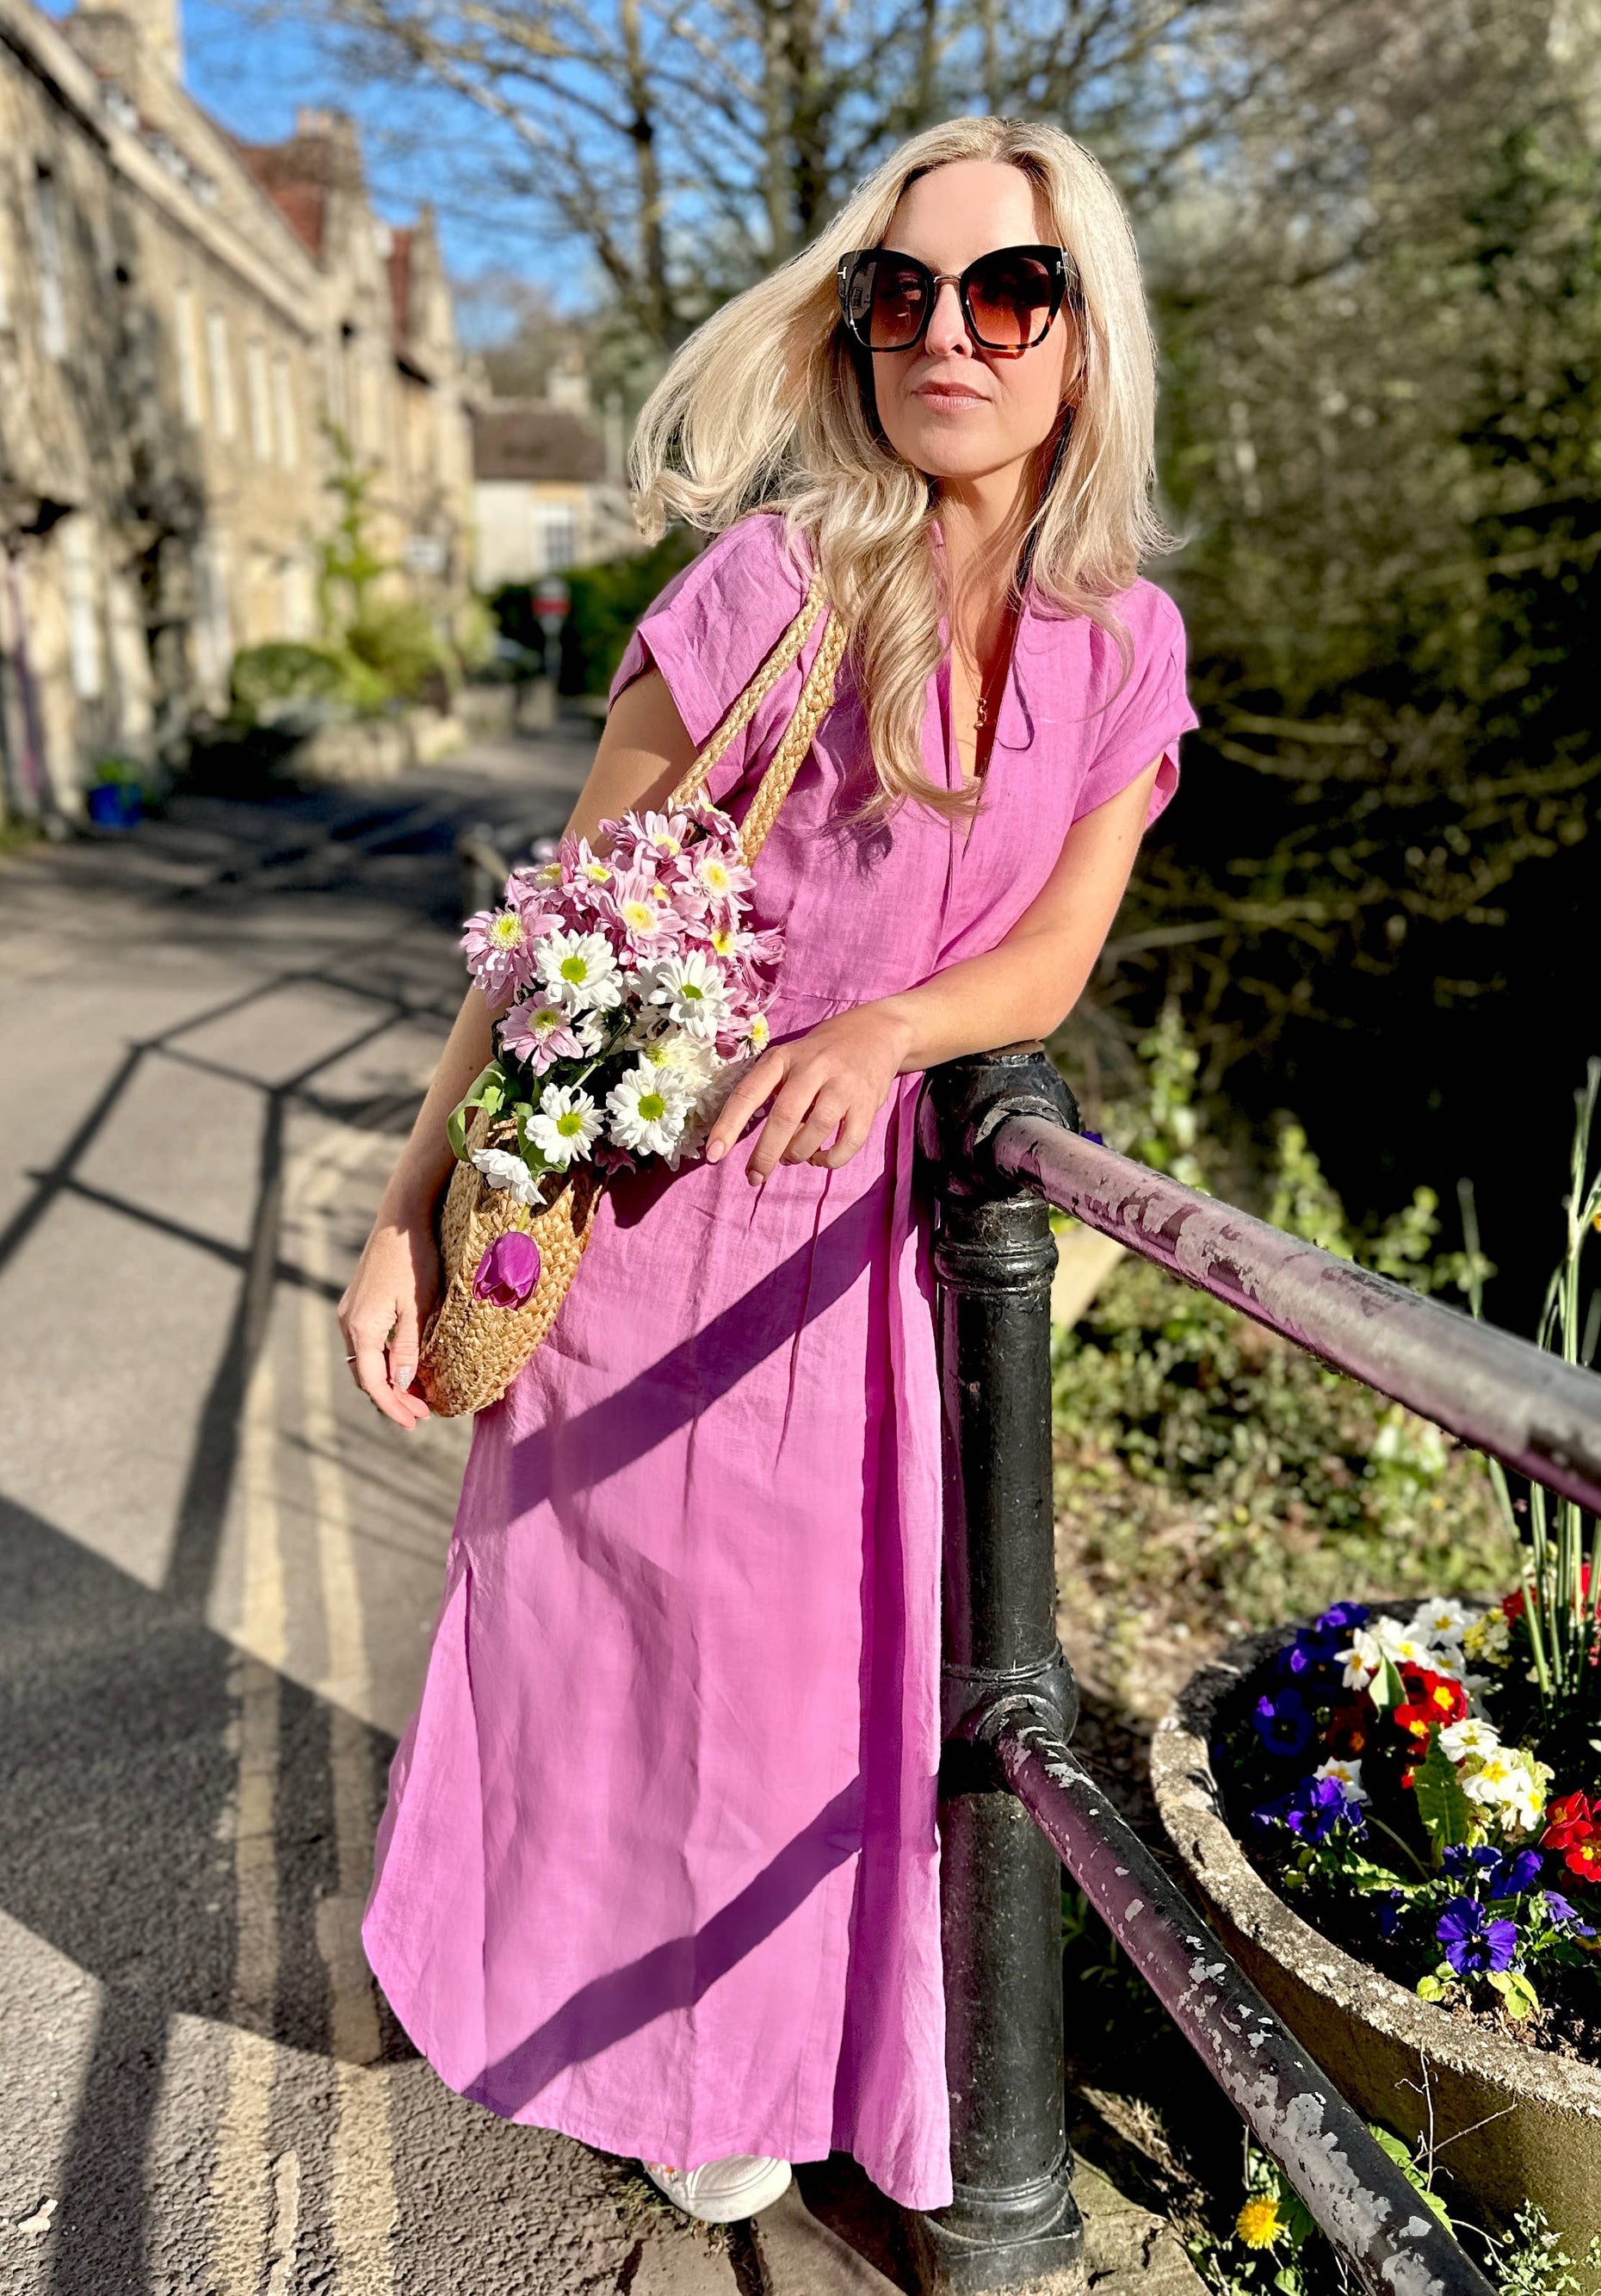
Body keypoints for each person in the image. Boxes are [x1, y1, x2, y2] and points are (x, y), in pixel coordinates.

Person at [341, 113, 1199, 2228]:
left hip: (868, 1251)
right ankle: (657, 2043)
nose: (950, 337)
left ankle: (798, 2045)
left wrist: (895, 1026)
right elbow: (569, 925)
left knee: (829, 1692)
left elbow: (1055, 952)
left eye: (1009, 294)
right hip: (652, 1219)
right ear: (854, 328)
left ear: (1084, 339)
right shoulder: (766, 582)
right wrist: (398, 1212)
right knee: (635, 1663)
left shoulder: (1124, 645)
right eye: (899, 294)